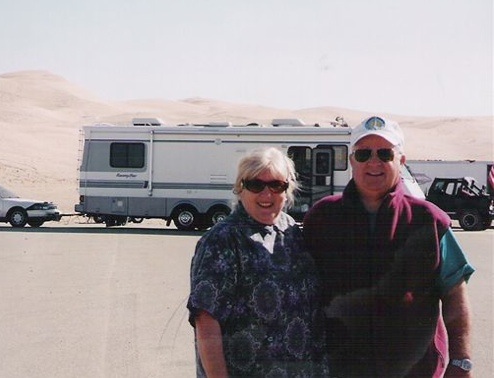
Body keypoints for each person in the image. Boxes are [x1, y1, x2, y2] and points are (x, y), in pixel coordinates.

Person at [303, 116, 475, 377]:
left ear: (401, 161)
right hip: (339, 368)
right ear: (351, 161)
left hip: (416, 370)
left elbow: (454, 293)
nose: (374, 162)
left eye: (385, 153)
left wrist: (461, 360)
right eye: (363, 154)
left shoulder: (429, 220)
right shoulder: (322, 218)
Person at [187, 147, 329, 377]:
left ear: (288, 189)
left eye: (276, 185)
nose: (266, 194)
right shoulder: (223, 240)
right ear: (240, 188)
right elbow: (206, 322)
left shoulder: (291, 230)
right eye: (256, 185)